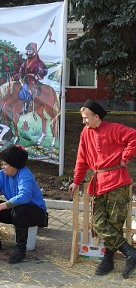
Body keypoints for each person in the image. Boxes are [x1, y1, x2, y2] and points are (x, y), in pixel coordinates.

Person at [68, 100, 136, 278]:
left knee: (114, 223)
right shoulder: (85, 133)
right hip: (99, 182)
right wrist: (76, 180)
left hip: (117, 181)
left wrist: (125, 156)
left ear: (96, 116)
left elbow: (134, 137)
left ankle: (108, 258)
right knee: (98, 223)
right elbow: (81, 158)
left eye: (86, 118)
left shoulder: (114, 128)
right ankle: (129, 251)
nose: (84, 121)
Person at [0, 144, 48, 264]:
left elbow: (24, 196)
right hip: (16, 212)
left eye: (5, 164)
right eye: (3, 164)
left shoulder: (25, 174)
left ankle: (21, 249)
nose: (3, 167)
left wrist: (0, 207)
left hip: (36, 215)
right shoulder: (2, 174)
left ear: (15, 165)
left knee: (20, 209)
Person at [14, 42, 48, 113]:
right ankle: (22, 108)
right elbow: (22, 69)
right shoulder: (26, 62)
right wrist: (19, 75)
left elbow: (44, 69)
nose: (28, 52)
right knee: (20, 90)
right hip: (26, 80)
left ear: (34, 52)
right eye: (27, 51)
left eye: (30, 51)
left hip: (33, 80)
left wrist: (37, 75)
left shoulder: (38, 61)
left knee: (27, 90)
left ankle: (27, 108)